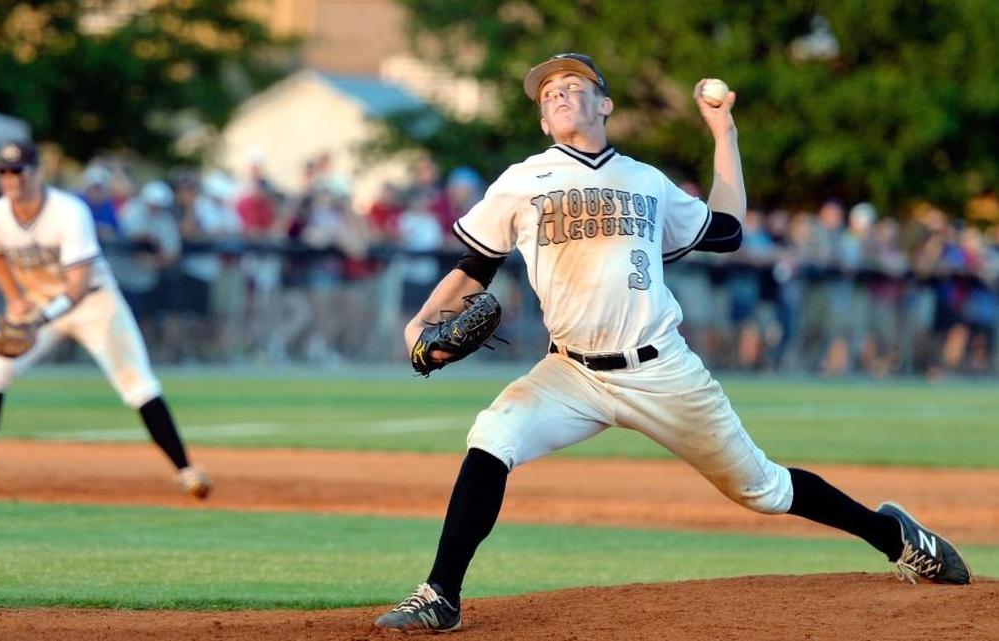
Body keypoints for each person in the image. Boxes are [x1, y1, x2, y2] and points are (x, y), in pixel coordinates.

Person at [373, 53, 970, 633]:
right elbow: (474, 266)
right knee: (493, 436)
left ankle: (894, 536)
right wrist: (418, 323)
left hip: (661, 370)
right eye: (547, 91)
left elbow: (727, 231)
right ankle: (440, 597)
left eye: (573, 83)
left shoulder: (645, 181)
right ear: (541, 120)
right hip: (570, 374)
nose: (557, 92)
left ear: (604, 104)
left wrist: (723, 130)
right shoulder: (522, 181)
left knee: (763, 489)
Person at [0, 141, 212, 499]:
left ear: (36, 172)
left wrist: (37, 320)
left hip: (93, 303)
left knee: (136, 382)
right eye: (4, 171)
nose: (11, 179)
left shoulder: (68, 212)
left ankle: (185, 470)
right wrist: (14, 299)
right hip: (38, 305)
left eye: (19, 170)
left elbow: (78, 285)